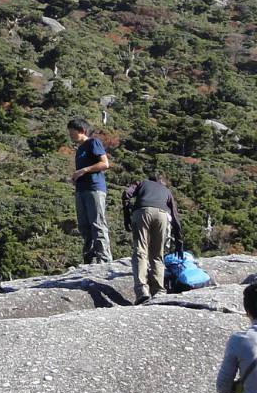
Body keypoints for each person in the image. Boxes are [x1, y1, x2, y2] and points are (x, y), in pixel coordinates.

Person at [121, 172, 180, 303]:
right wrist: (179, 241)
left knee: (140, 251)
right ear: (161, 181)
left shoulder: (142, 183)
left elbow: (126, 194)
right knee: (157, 255)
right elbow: (175, 216)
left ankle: (142, 290)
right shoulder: (166, 190)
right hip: (162, 215)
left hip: (142, 212)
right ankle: (159, 291)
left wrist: (127, 217)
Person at [68, 118, 112, 264]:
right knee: (84, 225)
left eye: (72, 132)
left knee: (97, 223)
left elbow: (105, 163)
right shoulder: (79, 149)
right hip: (81, 190)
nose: (70, 135)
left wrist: (83, 170)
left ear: (82, 130)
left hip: (94, 188)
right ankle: (90, 259)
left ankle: (104, 259)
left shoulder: (93, 143)